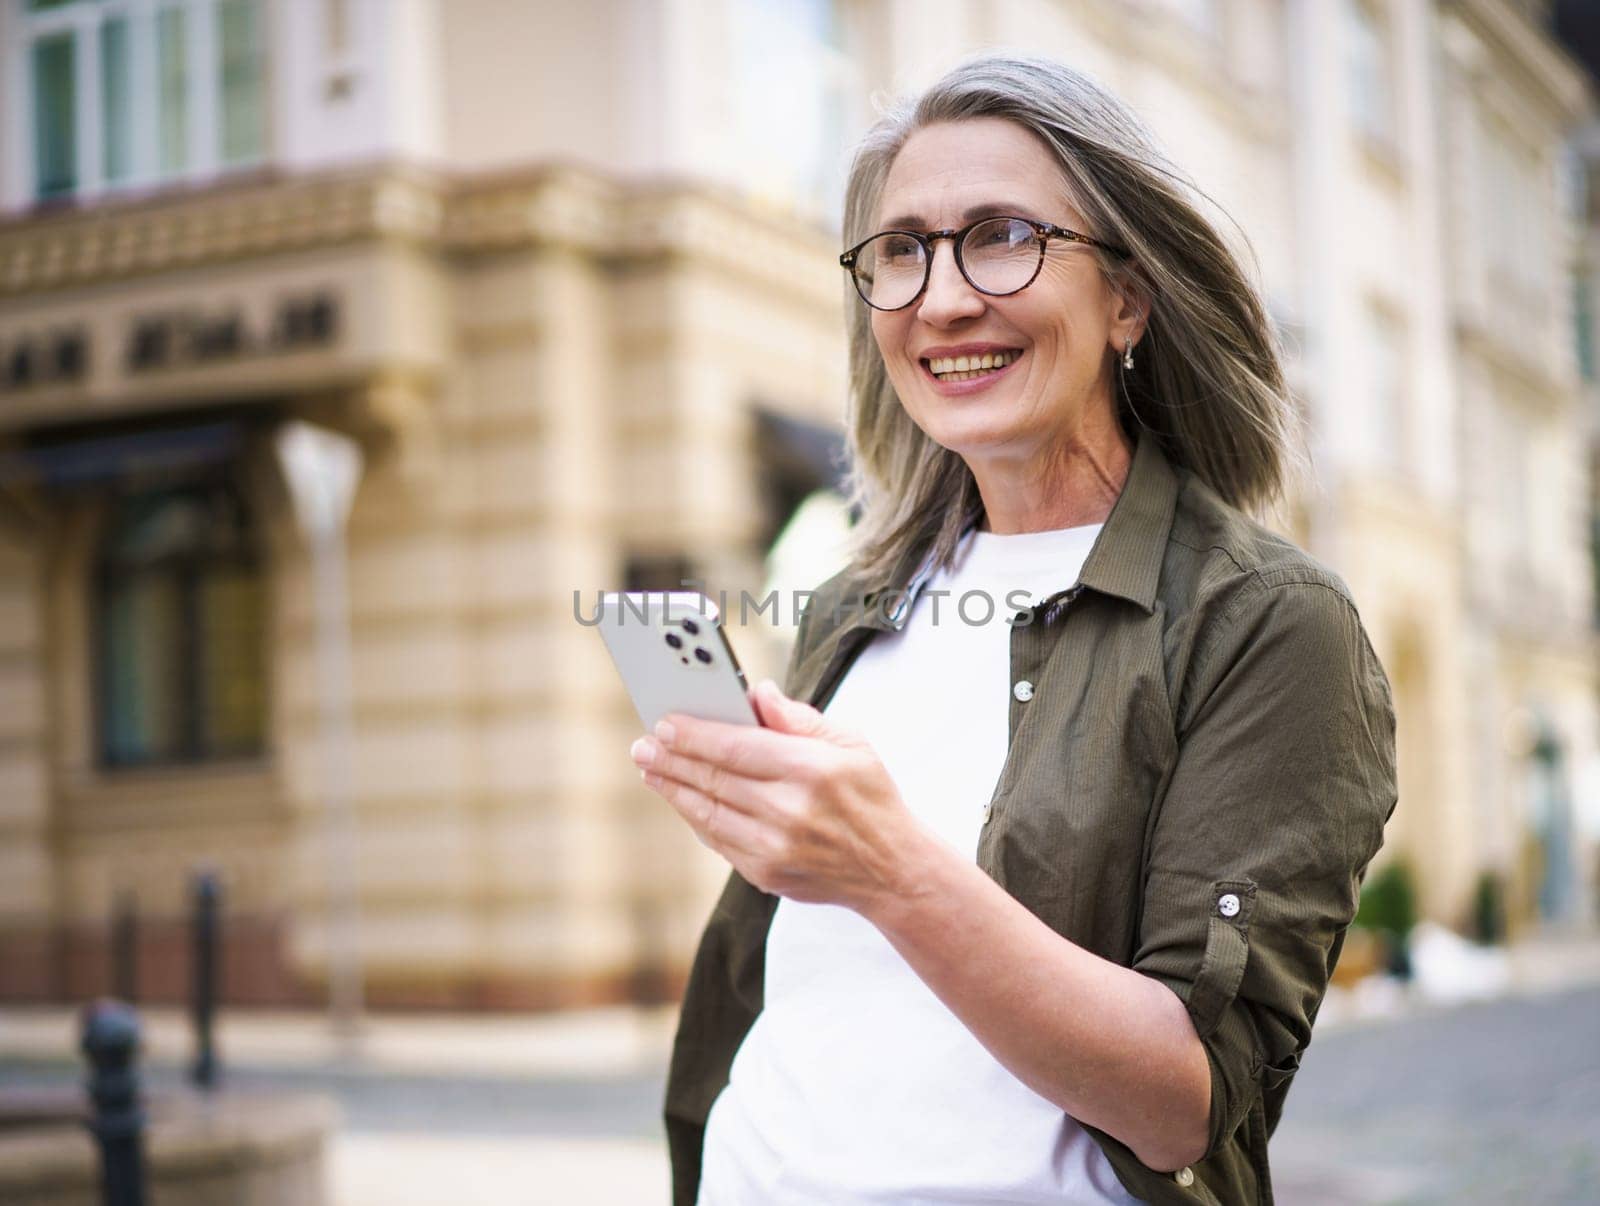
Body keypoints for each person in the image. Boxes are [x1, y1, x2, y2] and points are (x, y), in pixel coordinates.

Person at [632, 53, 1397, 1205]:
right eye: (901, 251)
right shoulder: (850, 605)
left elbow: (1180, 1100)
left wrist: (890, 871)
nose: (940, 300)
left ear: (1127, 298)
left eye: (1000, 237)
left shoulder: (1268, 625)